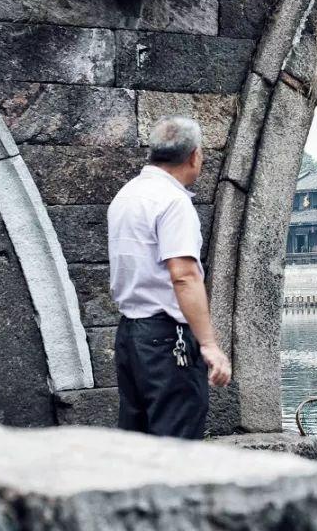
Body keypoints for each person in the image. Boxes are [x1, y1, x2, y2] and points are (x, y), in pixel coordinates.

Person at [107, 115, 231, 438]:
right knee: (177, 442)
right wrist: (209, 345)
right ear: (194, 156)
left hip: (131, 336)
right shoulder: (173, 202)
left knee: (138, 441)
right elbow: (184, 276)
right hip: (166, 337)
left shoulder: (126, 197)